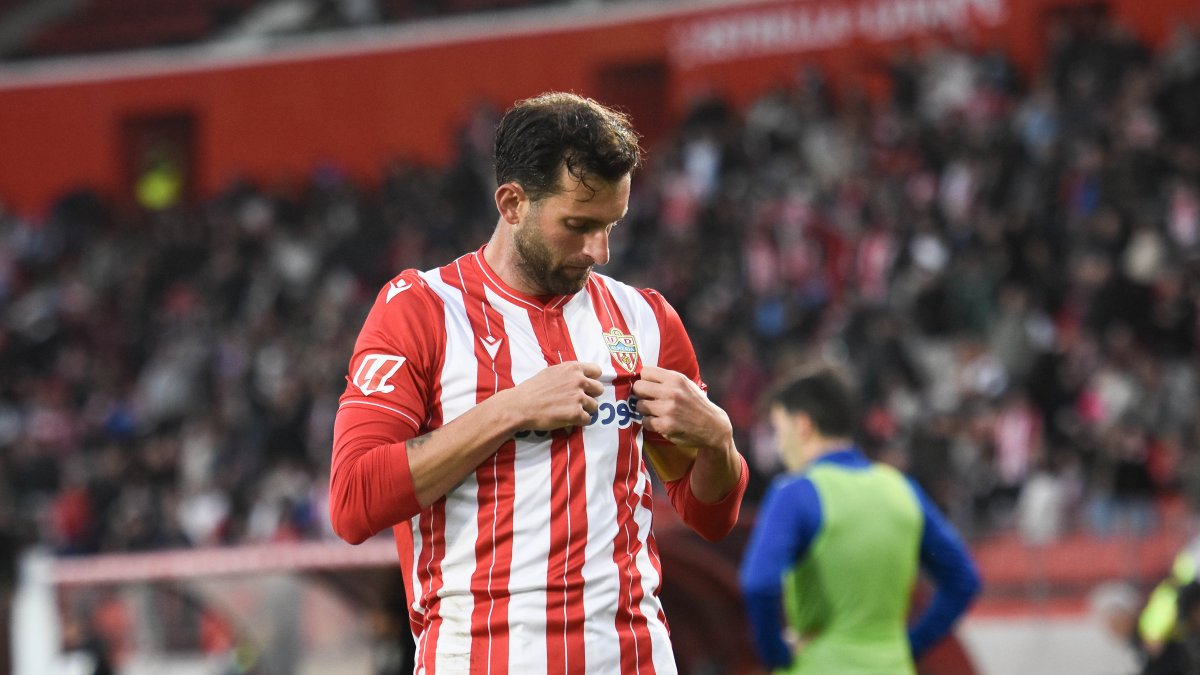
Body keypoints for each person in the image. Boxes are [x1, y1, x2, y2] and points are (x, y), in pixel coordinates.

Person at [328, 92, 748, 673]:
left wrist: (718, 442)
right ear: (512, 203)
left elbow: (709, 516)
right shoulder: (423, 311)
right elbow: (353, 501)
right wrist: (510, 410)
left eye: (610, 226)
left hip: (633, 658)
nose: (597, 251)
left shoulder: (645, 319)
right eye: (577, 225)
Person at [739, 366, 980, 674]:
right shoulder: (902, 489)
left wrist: (777, 654)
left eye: (778, 430)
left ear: (802, 425)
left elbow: (758, 584)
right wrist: (910, 644)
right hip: (893, 665)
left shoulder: (794, 493)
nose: (779, 445)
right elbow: (964, 579)